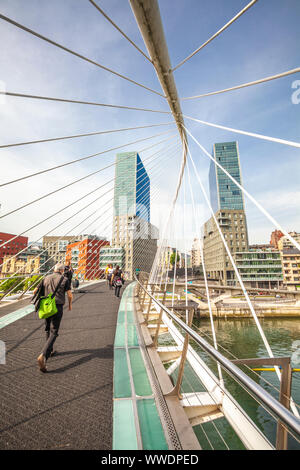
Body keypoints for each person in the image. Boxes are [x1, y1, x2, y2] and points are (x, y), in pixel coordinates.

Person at [34, 263, 73, 373]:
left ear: (54, 269)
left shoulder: (45, 278)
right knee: (54, 331)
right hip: (57, 307)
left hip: (46, 306)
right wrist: (70, 305)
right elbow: (69, 295)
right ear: (61, 270)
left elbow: (35, 291)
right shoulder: (65, 279)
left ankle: (49, 351)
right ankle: (43, 354)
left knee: (47, 329)